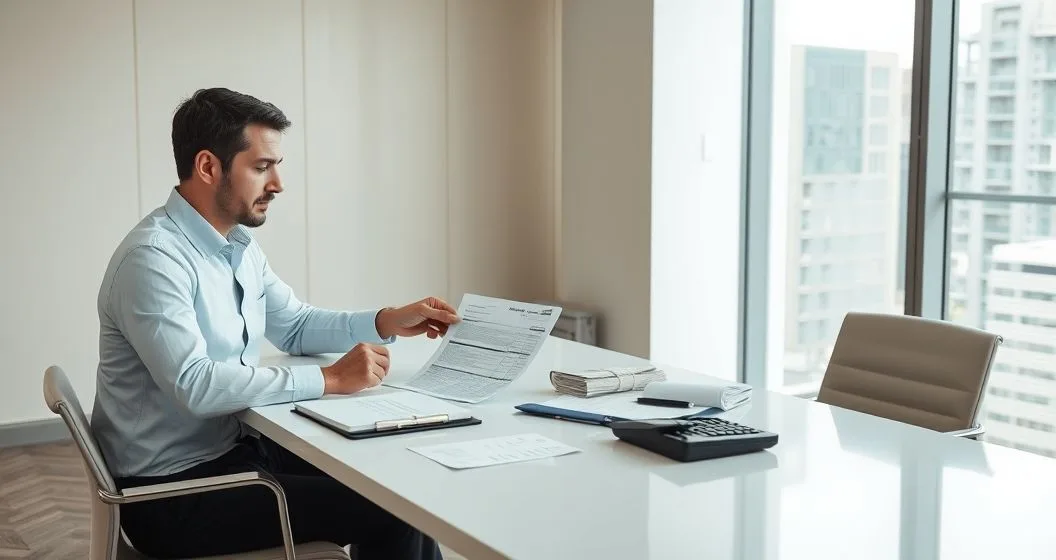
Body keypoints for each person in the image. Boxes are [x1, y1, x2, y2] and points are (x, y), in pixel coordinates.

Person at [90, 87, 455, 559]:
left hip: (233, 455)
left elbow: (296, 326)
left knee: (391, 480)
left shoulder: (237, 246)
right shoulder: (153, 259)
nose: (278, 183)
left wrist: (385, 321)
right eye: (262, 167)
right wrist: (329, 379)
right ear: (208, 167)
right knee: (396, 507)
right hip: (174, 494)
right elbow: (196, 385)